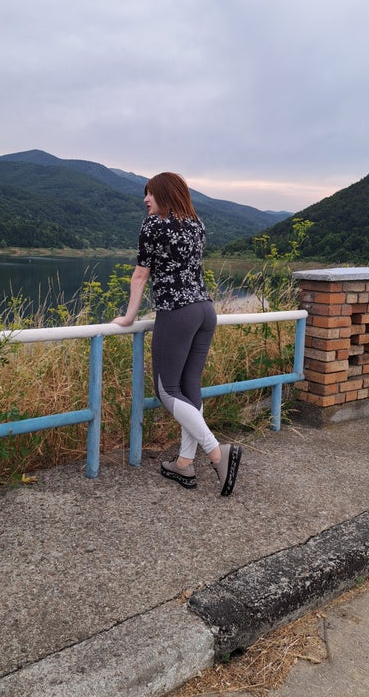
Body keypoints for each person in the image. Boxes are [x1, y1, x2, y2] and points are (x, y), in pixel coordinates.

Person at [112, 172, 242, 496]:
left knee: (167, 391)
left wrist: (129, 317)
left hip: (178, 312)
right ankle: (184, 463)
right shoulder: (197, 224)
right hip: (205, 311)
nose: (145, 200)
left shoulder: (153, 225)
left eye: (151, 193)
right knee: (189, 387)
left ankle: (216, 453)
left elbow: (141, 274)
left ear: (166, 194)